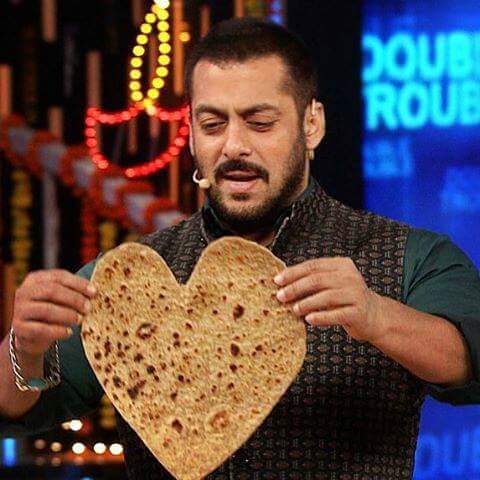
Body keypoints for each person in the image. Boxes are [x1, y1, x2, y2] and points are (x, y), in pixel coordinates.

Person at [1, 17, 480, 480]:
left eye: (260, 123)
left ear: (311, 124)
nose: (234, 146)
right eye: (213, 124)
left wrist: (377, 316)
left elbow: (471, 362)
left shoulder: (409, 256)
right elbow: (15, 406)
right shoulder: (129, 280)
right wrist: (23, 347)